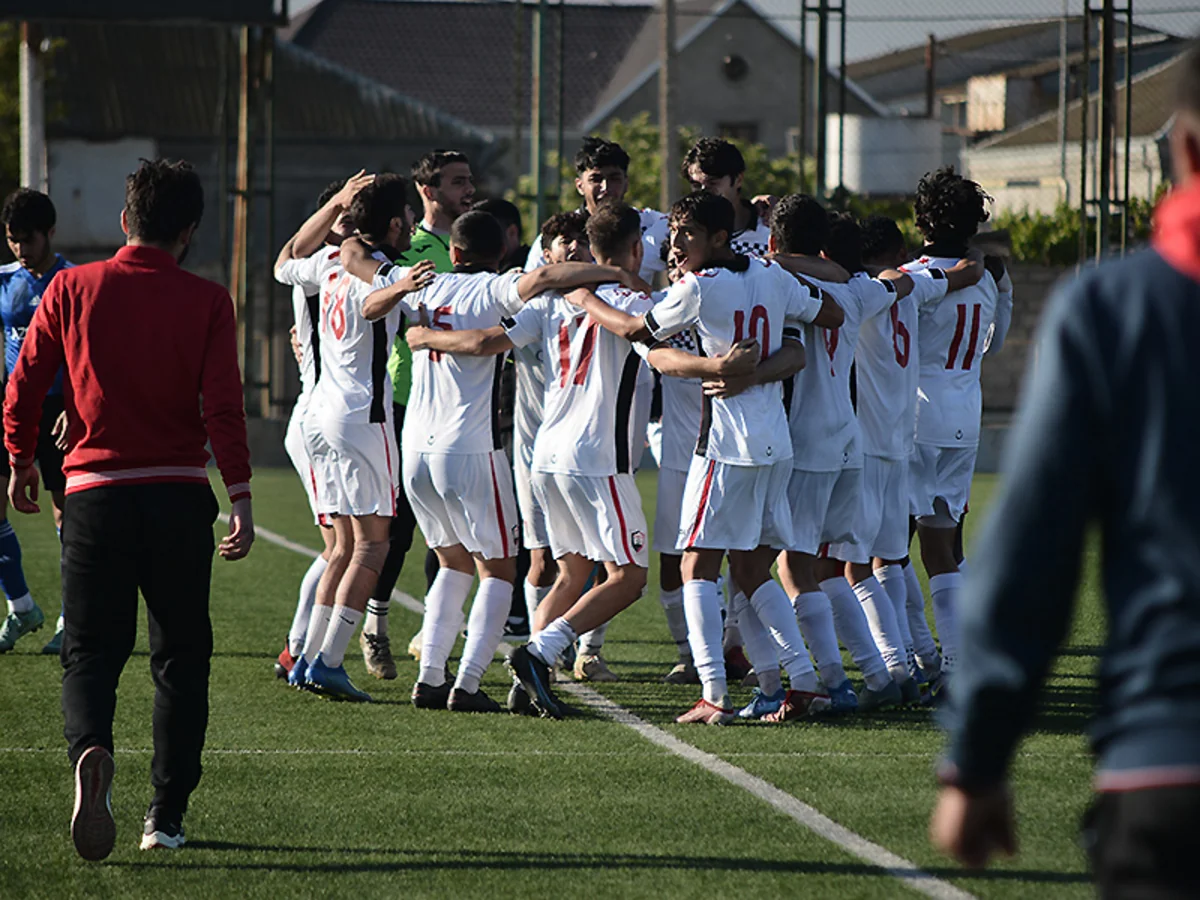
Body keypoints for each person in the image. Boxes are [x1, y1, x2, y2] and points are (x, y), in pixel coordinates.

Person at [931, 44, 1200, 895]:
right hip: (956, 412)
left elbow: (1032, 556)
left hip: (1170, 757)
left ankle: (902, 659)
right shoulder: (997, 284)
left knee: (887, 546)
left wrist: (977, 758)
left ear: (1183, 151)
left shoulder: (1117, 304)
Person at [3, 158, 254, 859]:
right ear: (191, 230)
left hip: (92, 497)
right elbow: (224, 407)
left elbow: (25, 382)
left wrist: (20, 460)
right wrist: (239, 493)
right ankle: (165, 817)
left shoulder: (72, 287)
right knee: (180, 659)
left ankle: (92, 749)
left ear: (124, 220)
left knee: (89, 651)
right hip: (177, 496)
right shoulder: (207, 301)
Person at [343, 209, 645, 712]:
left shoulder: (422, 283)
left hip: (416, 444)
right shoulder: (497, 288)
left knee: (451, 564)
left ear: (453, 253)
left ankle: (431, 678)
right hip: (472, 445)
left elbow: (368, 297)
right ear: (500, 253)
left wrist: (417, 330)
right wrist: (612, 273)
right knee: (499, 572)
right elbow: (531, 291)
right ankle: (467, 684)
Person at [571, 191, 844, 724]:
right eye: (674, 231)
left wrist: (585, 299)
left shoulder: (699, 287)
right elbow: (827, 316)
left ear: (719, 238)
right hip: (772, 441)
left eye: (688, 233)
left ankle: (713, 694)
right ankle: (801, 684)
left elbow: (634, 330)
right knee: (748, 567)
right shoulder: (771, 275)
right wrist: (759, 358)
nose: (676, 243)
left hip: (725, 441)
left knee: (697, 565)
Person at [905, 168, 1002, 686]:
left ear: (922, 217)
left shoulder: (913, 276)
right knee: (947, 543)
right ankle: (962, 656)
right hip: (965, 413)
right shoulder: (985, 278)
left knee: (895, 547)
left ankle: (920, 660)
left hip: (917, 416)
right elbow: (996, 339)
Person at [380, 149, 476, 670]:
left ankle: (430, 633)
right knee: (397, 526)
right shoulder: (409, 250)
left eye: (470, 180)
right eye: (458, 182)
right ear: (428, 191)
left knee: (451, 528)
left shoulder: (469, 246)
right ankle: (376, 622)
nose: (469, 190)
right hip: (406, 400)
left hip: (456, 407)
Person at [271, 176, 363, 680]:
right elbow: (287, 254)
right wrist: (334, 205)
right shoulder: (328, 266)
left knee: (340, 547)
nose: (347, 224)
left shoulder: (319, 270)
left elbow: (286, 256)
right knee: (341, 548)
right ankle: (301, 650)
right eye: (341, 216)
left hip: (318, 416)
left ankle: (302, 649)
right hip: (324, 416)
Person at [0, 188, 73, 653]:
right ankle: (22, 607)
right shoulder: (4, 280)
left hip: (58, 410)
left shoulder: (73, 281)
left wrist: (77, 403)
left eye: (28, 240)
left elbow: (87, 351)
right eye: (12, 240)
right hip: (11, 407)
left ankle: (72, 619)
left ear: (50, 233)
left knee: (68, 517)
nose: (21, 250)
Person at [525, 136, 668, 285]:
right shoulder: (556, 237)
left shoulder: (650, 224)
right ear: (580, 185)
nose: (606, 188)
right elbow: (529, 287)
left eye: (614, 179)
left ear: (626, 183)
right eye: (596, 179)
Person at [682, 137, 772, 258]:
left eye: (712, 183)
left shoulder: (769, 230)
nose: (704, 191)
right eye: (696, 185)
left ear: (738, 179)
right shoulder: (679, 231)